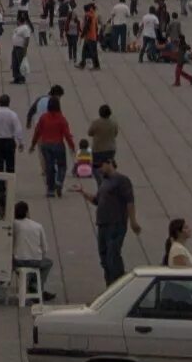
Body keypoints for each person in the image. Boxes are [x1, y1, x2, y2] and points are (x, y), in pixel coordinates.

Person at [77, 158, 141, 287]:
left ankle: (119, 285)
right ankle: (110, 286)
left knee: (113, 256)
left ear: (110, 163)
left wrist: (133, 221)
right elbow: (97, 201)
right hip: (103, 224)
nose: (99, 169)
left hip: (116, 224)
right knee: (104, 257)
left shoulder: (122, 180)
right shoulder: (104, 181)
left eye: (101, 165)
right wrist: (83, 193)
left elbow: (130, 201)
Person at [30, 95, 75, 197]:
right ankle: (59, 181)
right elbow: (67, 134)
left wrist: (33, 144)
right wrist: (72, 146)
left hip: (46, 145)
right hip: (58, 144)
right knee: (62, 165)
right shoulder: (61, 119)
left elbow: (37, 132)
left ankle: (50, 190)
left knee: (49, 167)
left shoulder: (43, 118)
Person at [11, 199, 53, 293]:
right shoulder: (38, 226)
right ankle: (36, 285)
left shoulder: (14, 224)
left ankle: (30, 284)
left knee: (21, 268)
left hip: (18, 261)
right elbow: (45, 248)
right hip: (35, 261)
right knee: (48, 263)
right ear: (27, 212)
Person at [0, 94, 22, 175]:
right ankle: (10, 185)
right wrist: (20, 142)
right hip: (9, 141)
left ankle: (0, 186)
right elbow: (18, 130)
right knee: (10, 166)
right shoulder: (13, 114)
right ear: (9, 103)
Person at [87, 104, 121, 170]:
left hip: (98, 149)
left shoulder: (96, 123)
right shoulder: (114, 123)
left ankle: (100, 179)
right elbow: (115, 134)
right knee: (108, 167)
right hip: (111, 149)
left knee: (96, 167)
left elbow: (90, 133)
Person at [9, 12, 34, 85]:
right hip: (15, 47)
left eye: (17, 21)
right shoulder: (18, 28)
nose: (17, 22)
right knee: (14, 63)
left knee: (20, 64)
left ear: (19, 21)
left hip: (21, 48)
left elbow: (27, 39)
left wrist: (25, 49)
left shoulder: (25, 28)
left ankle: (21, 78)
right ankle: (16, 78)